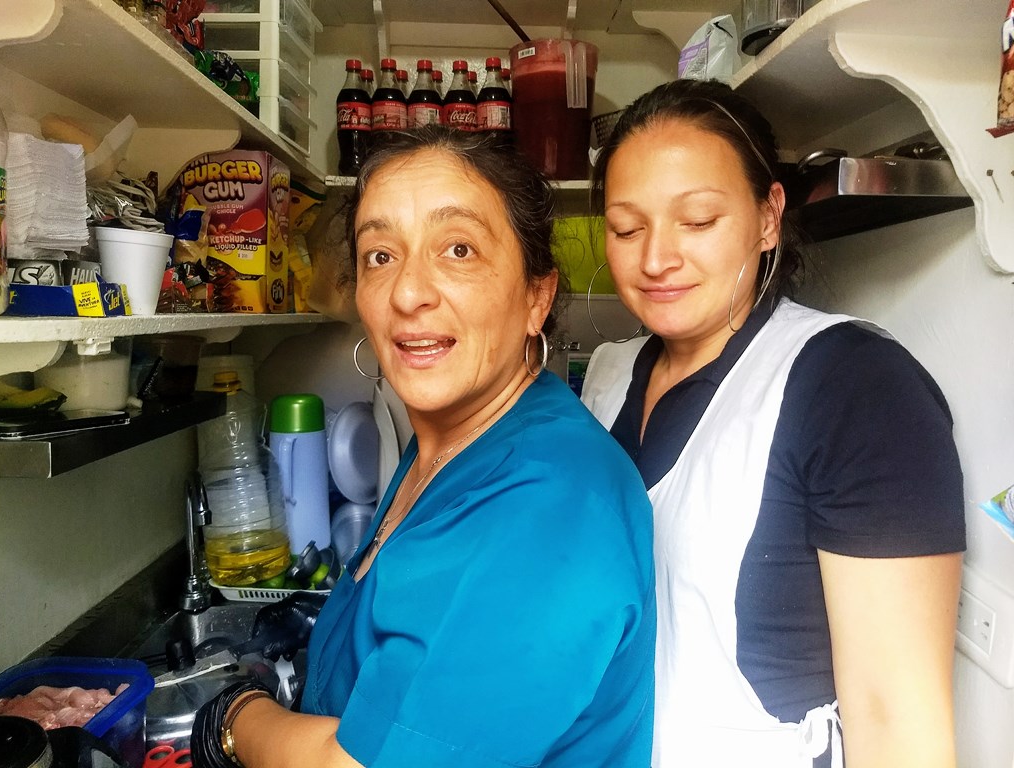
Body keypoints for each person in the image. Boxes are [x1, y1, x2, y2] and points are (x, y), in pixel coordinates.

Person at [191, 125, 657, 768]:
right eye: (380, 255)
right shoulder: (451, 441)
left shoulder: (554, 507)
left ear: (535, 296)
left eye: (458, 248)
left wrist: (234, 717)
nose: (408, 293)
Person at [580, 79, 965, 768]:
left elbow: (897, 718)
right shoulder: (609, 374)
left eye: (696, 220)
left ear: (767, 217)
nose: (655, 258)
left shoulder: (856, 389)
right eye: (626, 227)